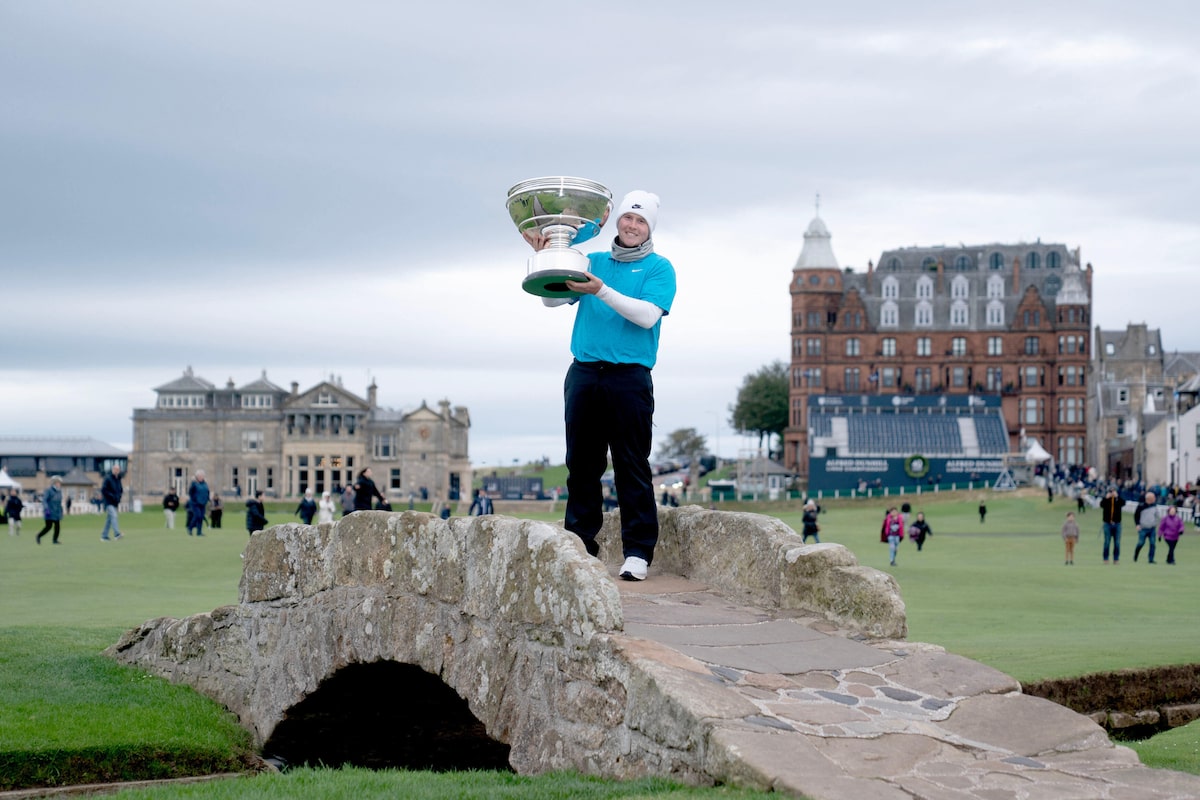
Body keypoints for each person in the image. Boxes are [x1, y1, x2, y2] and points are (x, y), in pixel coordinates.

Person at [537, 190, 677, 582]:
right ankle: (580, 546)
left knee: (631, 465)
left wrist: (600, 290)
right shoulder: (592, 260)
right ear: (617, 222)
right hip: (584, 372)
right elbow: (550, 301)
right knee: (581, 464)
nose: (632, 226)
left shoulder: (658, 268)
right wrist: (547, 254)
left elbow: (647, 316)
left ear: (649, 227)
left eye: (641, 221)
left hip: (628, 377)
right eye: (628, 219)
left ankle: (637, 552)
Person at [35, 477, 64, 545]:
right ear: (55, 483)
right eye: (58, 482)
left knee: (57, 526)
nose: (59, 484)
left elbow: (59, 502)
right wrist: (46, 508)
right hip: (49, 512)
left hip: (56, 512)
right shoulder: (49, 491)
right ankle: (39, 536)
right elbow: (44, 500)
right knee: (48, 527)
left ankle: (55, 540)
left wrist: (61, 511)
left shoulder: (59, 491)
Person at [1133, 491, 1160, 564]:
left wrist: (1156, 524)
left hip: (1152, 528)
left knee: (1152, 543)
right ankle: (1136, 555)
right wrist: (1137, 525)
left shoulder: (1154, 506)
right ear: (1148, 499)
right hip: (1143, 528)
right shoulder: (1141, 506)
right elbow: (1136, 516)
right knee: (1141, 543)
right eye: (1153, 498)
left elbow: (1157, 516)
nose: (1154, 499)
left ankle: (1151, 559)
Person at [100, 463, 124, 541]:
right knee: (114, 516)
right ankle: (117, 534)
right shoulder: (108, 479)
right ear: (112, 470)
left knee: (109, 519)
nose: (116, 471)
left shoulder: (118, 479)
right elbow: (104, 490)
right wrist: (112, 496)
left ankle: (104, 536)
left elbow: (120, 490)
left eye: (118, 469)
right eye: (115, 469)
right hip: (108, 502)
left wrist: (119, 497)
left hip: (115, 502)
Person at [1100, 487, 1123, 564]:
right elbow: (1101, 505)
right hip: (1107, 523)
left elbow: (1123, 503)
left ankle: (1116, 559)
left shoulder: (1118, 499)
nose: (1112, 493)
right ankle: (1105, 558)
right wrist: (1106, 498)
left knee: (1117, 542)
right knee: (1107, 541)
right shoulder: (1106, 500)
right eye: (1111, 491)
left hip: (1117, 523)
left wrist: (1117, 497)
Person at [186, 469, 210, 536]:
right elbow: (191, 492)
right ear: (197, 476)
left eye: (203, 476)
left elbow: (207, 492)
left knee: (201, 517)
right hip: (195, 503)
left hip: (203, 503)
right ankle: (190, 528)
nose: (202, 477)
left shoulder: (205, 484)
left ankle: (199, 532)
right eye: (201, 476)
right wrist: (194, 499)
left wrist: (208, 499)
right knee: (197, 515)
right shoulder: (194, 484)